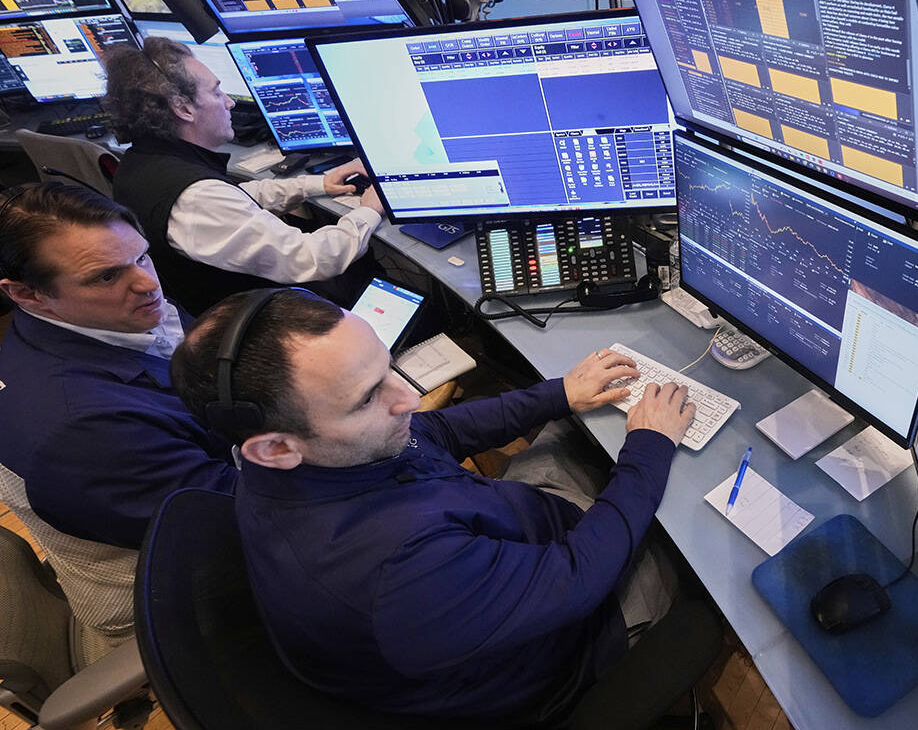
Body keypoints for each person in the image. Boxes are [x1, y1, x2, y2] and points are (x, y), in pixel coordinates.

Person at [171, 288, 697, 724]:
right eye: (367, 397)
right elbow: (580, 576)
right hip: (569, 635)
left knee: (584, 424)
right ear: (276, 447)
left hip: (510, 541)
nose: (409, 397)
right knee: (696, 542)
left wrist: (561, 393)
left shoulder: (318, 457)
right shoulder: (394, 576)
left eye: (388, 368)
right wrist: (648, 446)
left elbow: (437, 429)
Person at [0, 182, 238, 658]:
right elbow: (244, 518)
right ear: (28, 294)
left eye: (142, 257)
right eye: (106, 277)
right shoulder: (82, 429)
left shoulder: (117, 316)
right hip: (181, 587)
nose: (149, 283)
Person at [103, 36, 386, 315]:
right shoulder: (196, 198)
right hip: (263, 324)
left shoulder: (144, 161)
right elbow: (312, 259)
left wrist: (316, 184)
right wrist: (369, 210)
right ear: (183, 108)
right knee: (371, 273)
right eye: (216, 92)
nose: (229, 103)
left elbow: (236, 198)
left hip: (230, 305)